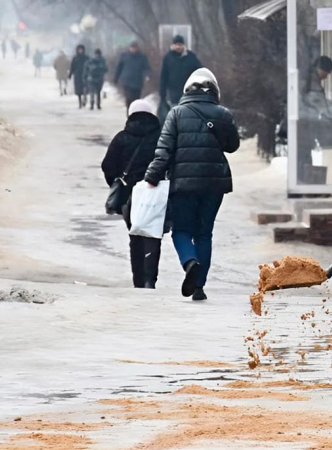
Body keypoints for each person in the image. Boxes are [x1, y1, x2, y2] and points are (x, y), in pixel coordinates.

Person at [144, 68, 240, 301]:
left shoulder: (176, 114)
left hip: (184, 183)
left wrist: (151, 177)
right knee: (204, 232)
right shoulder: (223, 114)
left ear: (187, 90)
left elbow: (163, 150)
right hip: (214, 183)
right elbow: (232, 145)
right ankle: (199, 286)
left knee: (182, 230)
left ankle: (189, 262)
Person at [101, 100, 163, 288]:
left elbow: (107, 165)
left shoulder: (121, 138)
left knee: (135, 236)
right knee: (153, 235)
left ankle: (138, 281)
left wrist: (117, 181)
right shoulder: (161, 138)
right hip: (155, 192)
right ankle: (150, 279)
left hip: (130, 194)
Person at [297, 55, 332, 183]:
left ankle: (303, 182)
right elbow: (319, 103)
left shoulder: (308, 79)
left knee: (303, 155)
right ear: (321, 69)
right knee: (303, 156)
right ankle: (304, 183)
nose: (327, 76)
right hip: (304, 124)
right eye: (327, 73)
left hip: (303, 125)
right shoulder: (312, 83)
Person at [159, 35, 202, 114]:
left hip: (189, 92)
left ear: (183, 45)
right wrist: (162, 93)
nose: (178, 47)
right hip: (174, 93)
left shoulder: (191, 57)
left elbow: (199, 71)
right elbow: (164, 75)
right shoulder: (168, 57)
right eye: (176, 45)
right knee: (176, 114)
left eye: (180, 45)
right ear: (173, 45)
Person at [114, 42, 152, 112]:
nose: (133, 49)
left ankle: (134, 114)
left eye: (135, 48)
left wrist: (148, 75)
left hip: (138, 82)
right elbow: (119, 68)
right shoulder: (124, 56)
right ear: (129, 48)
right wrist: (115, 78)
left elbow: (147, 67)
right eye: (132, 48)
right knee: (129, 99)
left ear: (137, 48)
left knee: (136, 100)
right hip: (127, 81)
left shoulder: (142, 57)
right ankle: (129, 113)